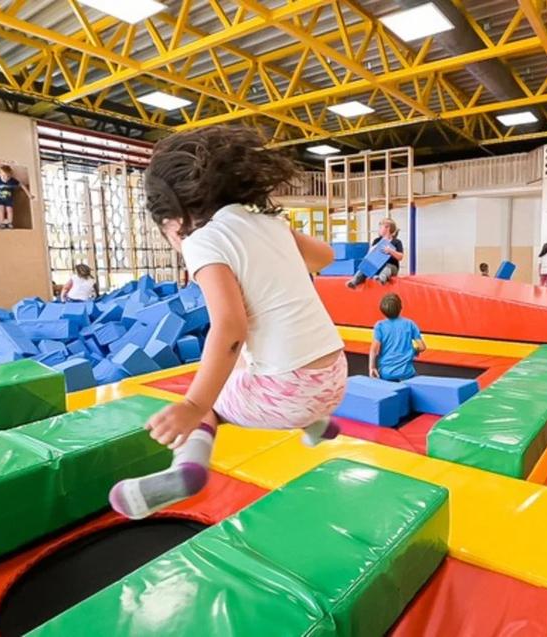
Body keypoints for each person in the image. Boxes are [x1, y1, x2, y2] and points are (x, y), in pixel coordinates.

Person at [108, 127, 347, 519]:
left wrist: (192, 404)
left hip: (290, 393)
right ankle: (316, 425)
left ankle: (187, 471)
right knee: (243, 363)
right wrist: (277, 241)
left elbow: (230, 327)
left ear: (174, 218)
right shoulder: (268, 224)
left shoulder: (201, 241)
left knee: (206, 402)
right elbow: (324, 257)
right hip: (335, 377)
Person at [369, 293, 426, 381]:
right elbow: (422, 347)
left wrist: (372, 368)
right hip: (407, 372)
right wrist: (414, 350)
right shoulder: (410, 324)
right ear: (401, 307)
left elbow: (374, 350)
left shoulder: (380, 326)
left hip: (386, 373)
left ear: (383, 311)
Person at [346, 218, 404, 288]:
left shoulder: (396, 242)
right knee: (365, 267)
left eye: (380, 227)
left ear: (387, 228)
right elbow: (368, 256)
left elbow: (400, 257)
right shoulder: (377, 241)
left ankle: (381, 279)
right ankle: (354, 282)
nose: (379, 230)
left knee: (388, 267)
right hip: (377, 266)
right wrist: (372, 250)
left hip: (391, 267)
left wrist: (390, 251)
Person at [0, 165, 34, 229]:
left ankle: (9, 222)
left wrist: (29, 194)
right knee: (1, 209)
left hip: (9, 199)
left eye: (8, 176)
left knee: (9, 210)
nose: (5, 178)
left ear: (10, 176)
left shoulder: (12, 181)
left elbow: (21, 185)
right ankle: (1, 222)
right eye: (3, 176)